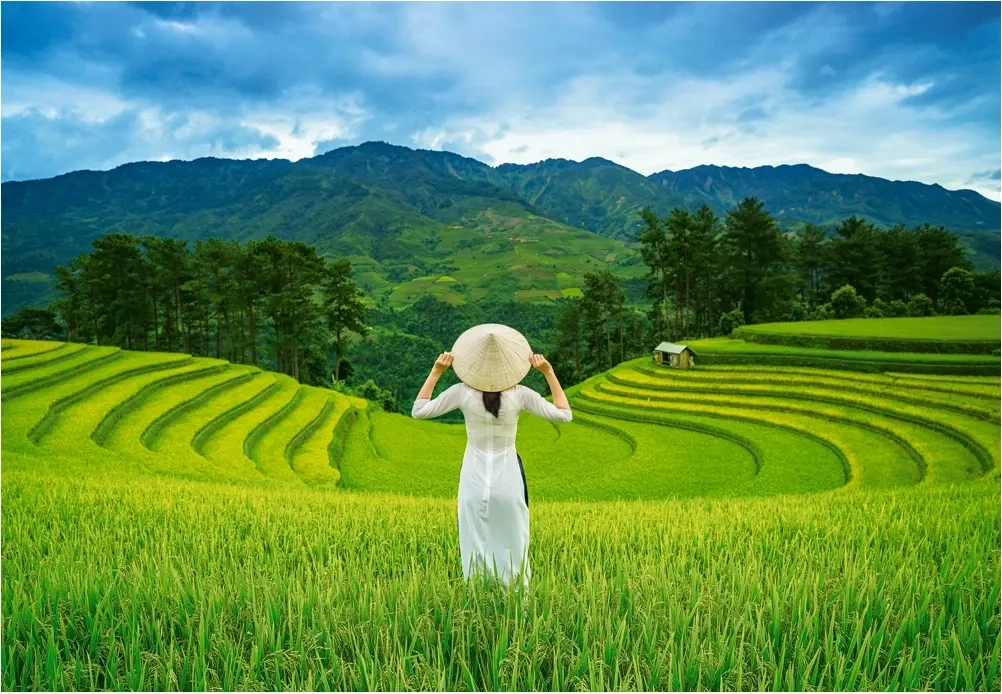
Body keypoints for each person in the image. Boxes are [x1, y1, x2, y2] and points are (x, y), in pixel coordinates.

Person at [411, 323, 572, 588]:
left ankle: (478, 597)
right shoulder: (519, 395)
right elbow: (564, 414)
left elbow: (419, 410)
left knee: (474, 539)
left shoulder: (462, 393)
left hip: (473, 477)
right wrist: (548, 372)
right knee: (513, 539)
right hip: (509, 477)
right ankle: (517, 599)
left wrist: (437, 371)